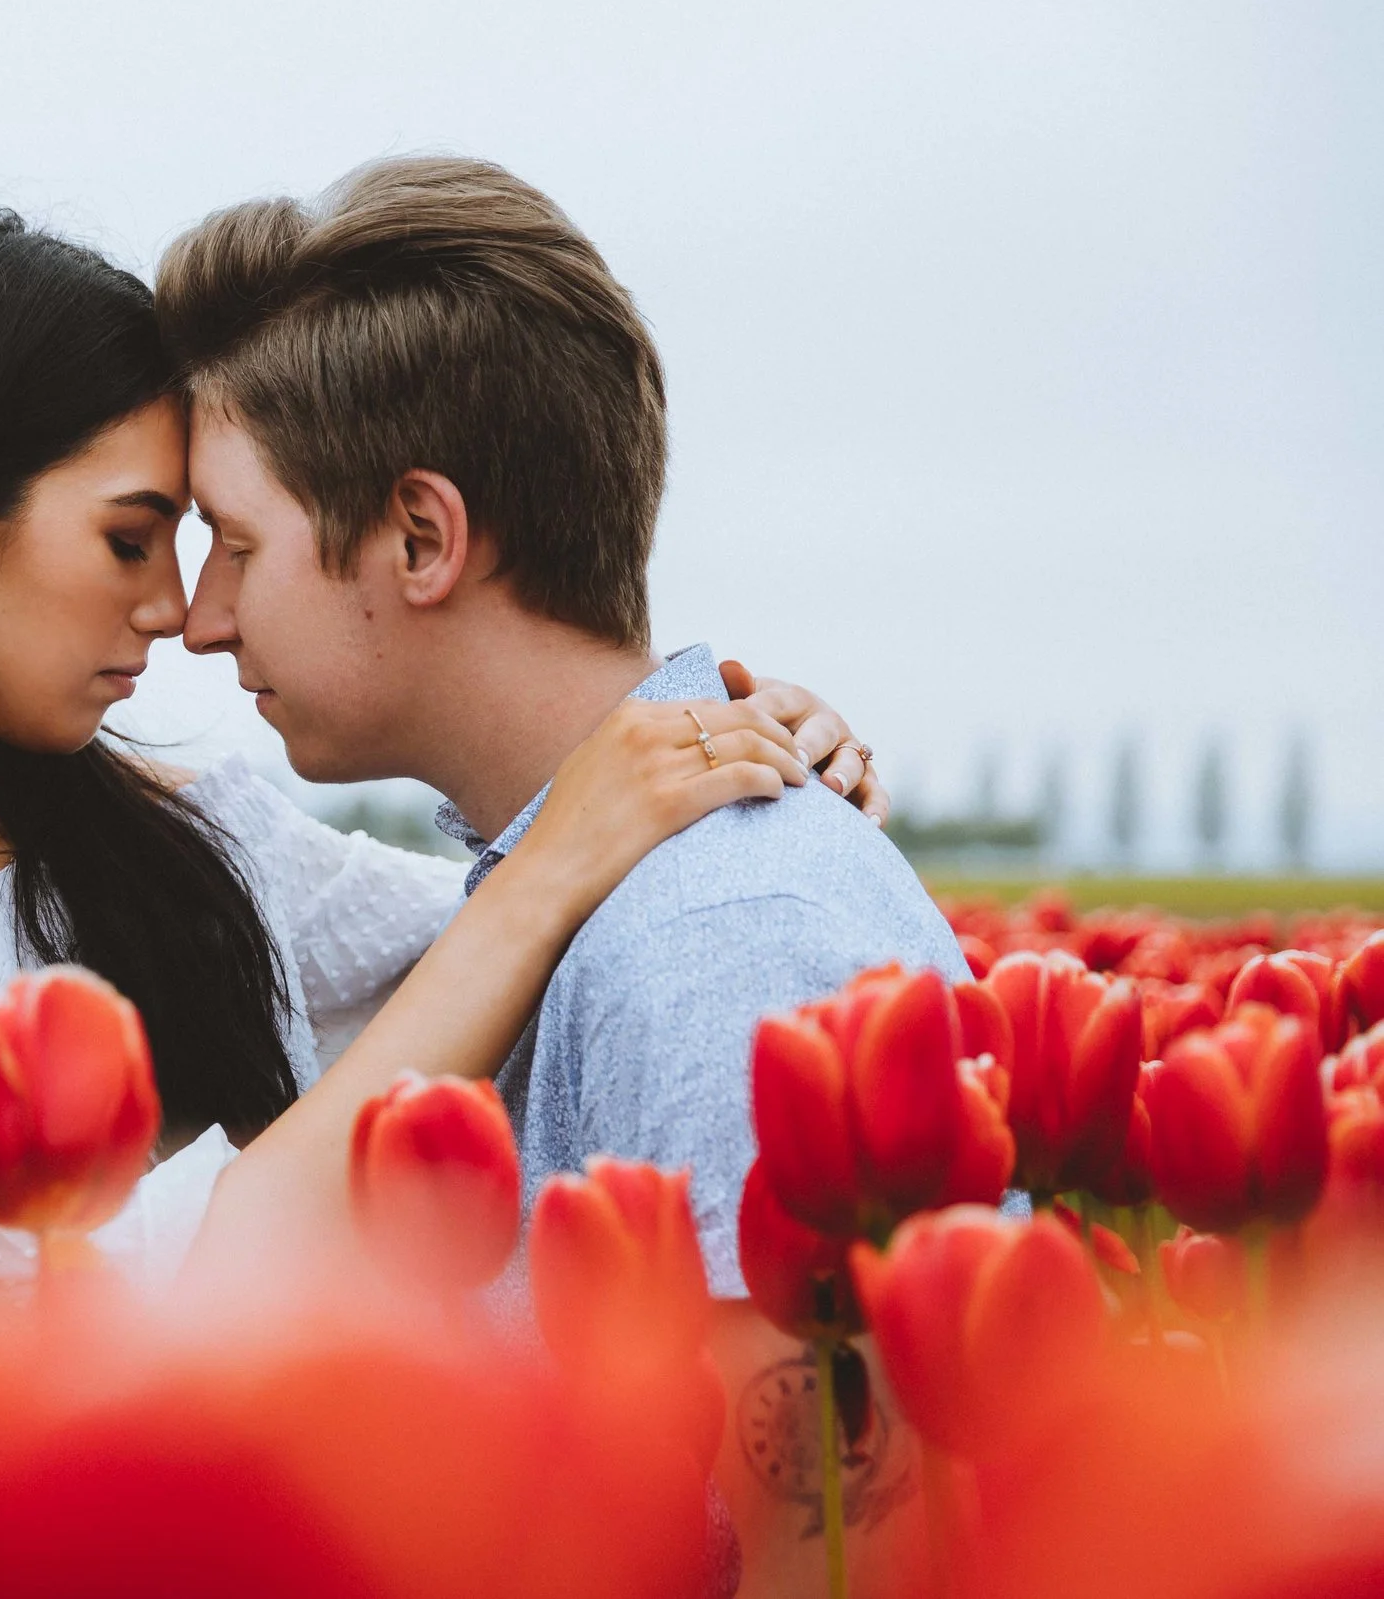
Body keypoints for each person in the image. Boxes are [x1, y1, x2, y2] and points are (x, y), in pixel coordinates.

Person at [0, 205, 881, 1289]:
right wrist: (552, 871)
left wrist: (720, 741)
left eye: (203, 548)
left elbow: (554, 921)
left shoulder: (195, 846)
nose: (175, 612)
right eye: (131, 540)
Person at [161, 155, 969, 1289]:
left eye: (235, 545)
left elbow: (811, 1466)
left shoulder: (716, 940)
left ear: (422, 539)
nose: (200, 620)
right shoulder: (596, 887)